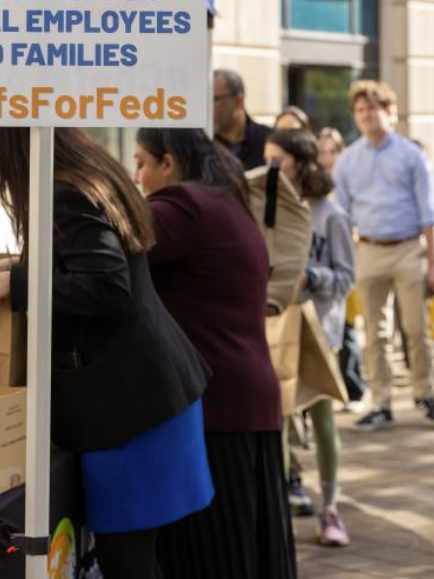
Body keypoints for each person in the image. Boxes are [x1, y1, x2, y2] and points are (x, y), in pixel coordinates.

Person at [0, 128, 214, 579]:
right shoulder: (79, 176)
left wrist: (18, 284)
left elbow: (106, 284)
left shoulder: (63, 191)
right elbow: (85, 261)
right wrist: (17, 266)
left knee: (127, 564)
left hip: (132, 412)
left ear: (17, 135)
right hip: (144, 401)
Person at [131, 128, 296, 579]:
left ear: (169, 162)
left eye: (142, 162)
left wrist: (19, 274)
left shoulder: (181, 205)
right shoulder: (225, 201)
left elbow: (104, 250)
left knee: (213, 556)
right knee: (249, 552)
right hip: (246, 400)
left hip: (215, 406)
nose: (138, 176)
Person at [332, 80, 434, 431]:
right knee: (375, 334)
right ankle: (380, 401)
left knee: (415, 328)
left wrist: (433, 263)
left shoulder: (411, 155)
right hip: (368, 249)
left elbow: (430, 212)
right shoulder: (348, 159)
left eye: (372, 109)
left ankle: (425, 393)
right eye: (360, 110)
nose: (366, 116)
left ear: (390, 112)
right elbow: (340, 212)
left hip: (409, 248)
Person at [264, 129, 355, 547]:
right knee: (279, 419)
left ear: (300, 161)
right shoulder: (267, 207)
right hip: (278, 327)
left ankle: (331, 508)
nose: (270, 167)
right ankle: (281, 504)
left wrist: (311, 276)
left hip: (320, 329)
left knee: (321, 419)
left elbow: (347, 278)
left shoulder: (330, 214)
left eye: (277, 159)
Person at [318, 128, 367, 409]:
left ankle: (354, 387)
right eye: (322, 152)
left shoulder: (349, 183)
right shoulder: (313, 183)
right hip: (322, 262)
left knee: (348, 325)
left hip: (348, 258)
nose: (327, 159)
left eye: (332, 152)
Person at [214, 68, 273, 170]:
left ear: (238, 101)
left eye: (214, 99)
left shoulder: (269, 140)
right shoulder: (202, 145)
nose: (206, 107)